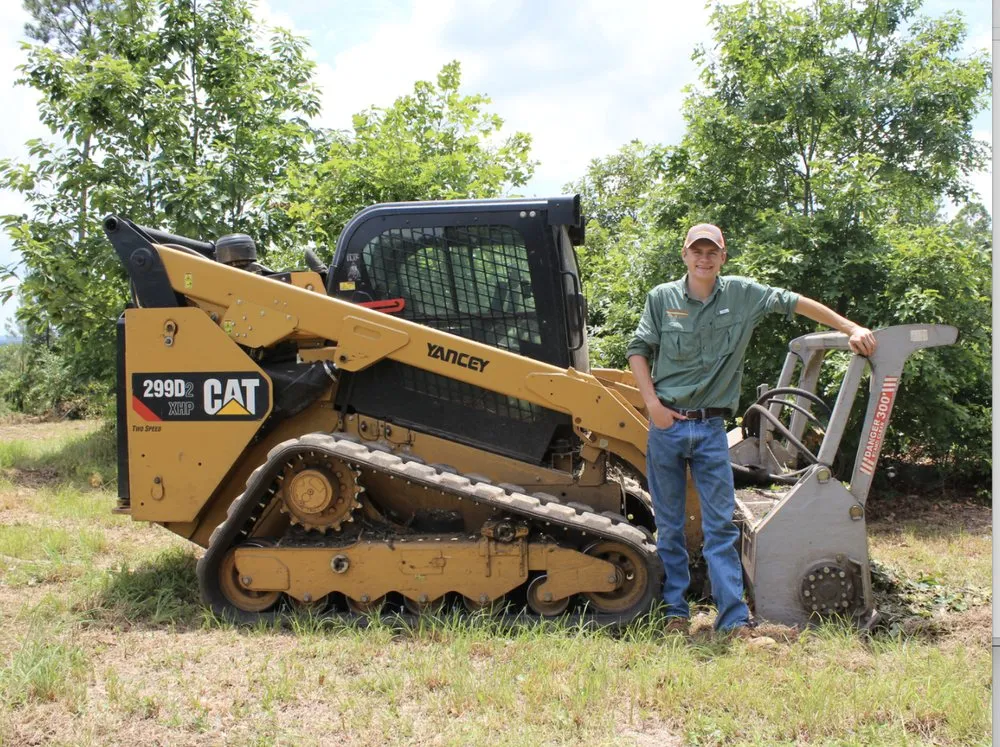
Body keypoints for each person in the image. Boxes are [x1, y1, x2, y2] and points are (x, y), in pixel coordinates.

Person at [626, 223, 877, 635]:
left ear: (723, 257)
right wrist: (653, 405)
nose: (704, 259)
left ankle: (733, 618)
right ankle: (675, 612)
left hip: (711, 430)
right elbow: (638, 349)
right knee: (669, 525)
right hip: (667, 426)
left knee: (720, 527)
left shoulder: (743, 295)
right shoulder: (662, 298)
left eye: (712, 252)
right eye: (697, 251)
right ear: (685, 256)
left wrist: (850, 328)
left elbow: (796, 303)